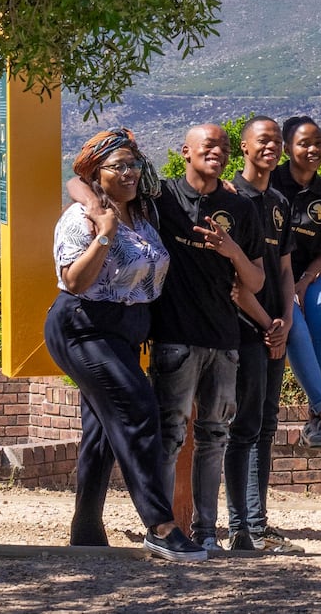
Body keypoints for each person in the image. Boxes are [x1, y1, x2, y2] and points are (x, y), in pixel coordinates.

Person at [45, 129, 206, 562]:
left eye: (134, 164)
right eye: (118, 166)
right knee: (137, 410)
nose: (130, 172)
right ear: (99, 173)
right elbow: (75, 281)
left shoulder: (146, 213)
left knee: (101, 431)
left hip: (126, 332)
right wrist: (104, 232)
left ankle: (85, 528)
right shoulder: (81, 218)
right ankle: (160, 524)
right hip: (83, 326)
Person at [145, 123, 265, 554]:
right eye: (208, 145)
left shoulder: (241, 208)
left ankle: (206, 531)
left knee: (215, 435)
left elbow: (254, 279)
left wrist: (231, 250)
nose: (218, 151)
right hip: (175, 339)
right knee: (170, 434)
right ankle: (157, 527)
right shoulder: (163, 197)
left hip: (224, 341)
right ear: (185, 152)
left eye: (224, 146)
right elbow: (95, 176)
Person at [223, 116, 302, 554]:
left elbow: (286, 269)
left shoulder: (278, 201)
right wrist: (265, 323)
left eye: (276, 140)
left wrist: (286, 320)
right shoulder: (231, 200)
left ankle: (259, 523)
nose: (270, 146)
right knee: (244, 426)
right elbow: (234, 283)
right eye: (262, 140)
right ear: (245, 147)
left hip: (275, 329)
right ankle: (240, 527)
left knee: (267, 426)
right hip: (245, 329)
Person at [272, 115, 321, 450]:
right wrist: (291, 289)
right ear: (287, 147)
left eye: (318, 142)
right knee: (294, 323)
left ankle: (316, 419)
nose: (313, 149)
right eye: (304, 143)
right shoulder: (272, 183)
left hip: (311, 275)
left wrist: (305, 283)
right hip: (274, 277)